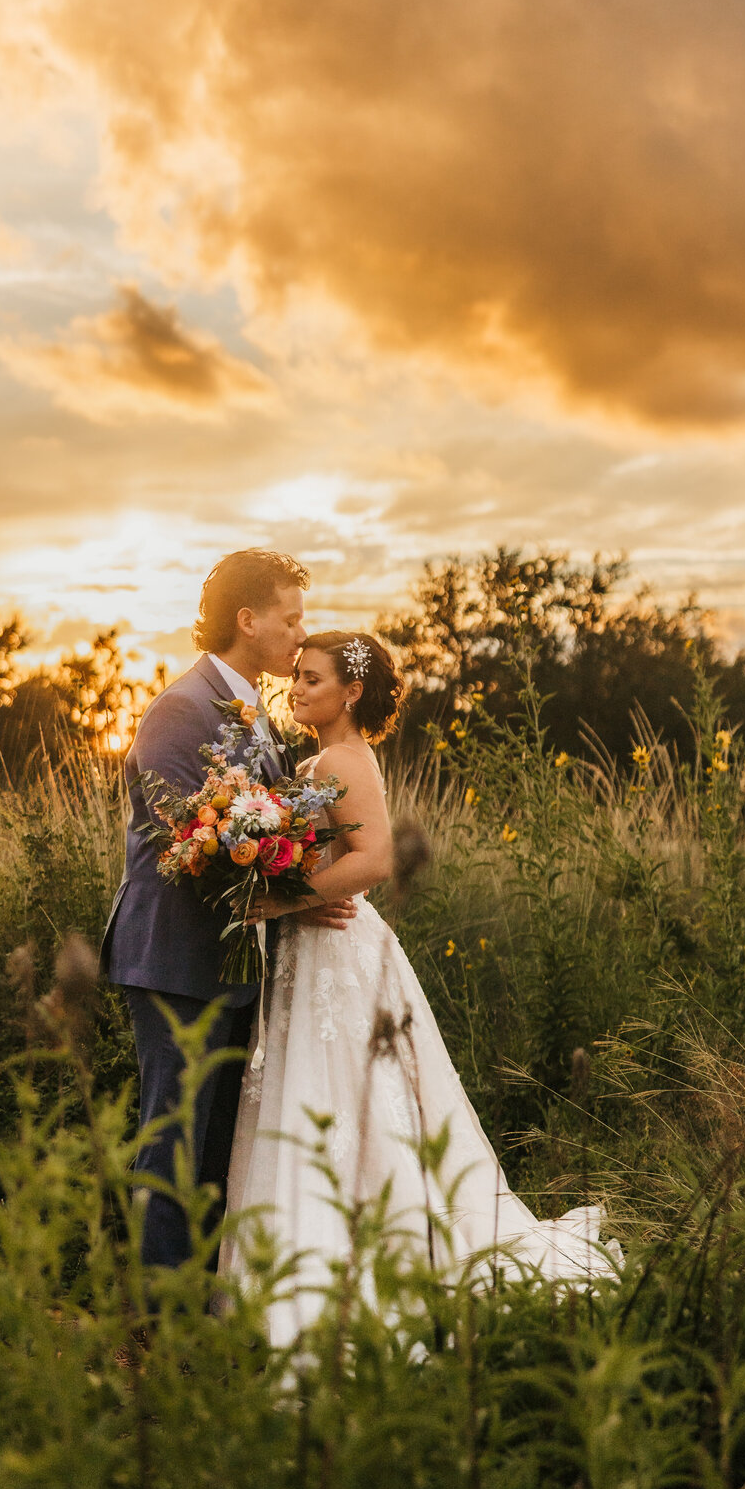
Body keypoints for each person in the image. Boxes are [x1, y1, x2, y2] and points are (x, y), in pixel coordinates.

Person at [220, 629, 609, 1344]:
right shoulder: (324, 756)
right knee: (319, 1091)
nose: (298, 688)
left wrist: (285, 901)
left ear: (352, 692)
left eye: (313, 679)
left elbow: (374, 863)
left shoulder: (342, 758)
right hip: (315, 948)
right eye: (297, 677)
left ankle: (365, 1262)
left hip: (337, 948)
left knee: (348, 1095)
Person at [100, 549, 357, 1271]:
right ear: (248, 620)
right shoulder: (180, 711)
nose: (301, 636)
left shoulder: (256, 714)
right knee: (173, 1141)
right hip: (176, 961)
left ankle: (199, 1312)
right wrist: (293, 906)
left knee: (216, 1148)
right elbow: (185, 846)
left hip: (230, 964)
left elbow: (262, 831)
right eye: (292, 618)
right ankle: (155, 1325)